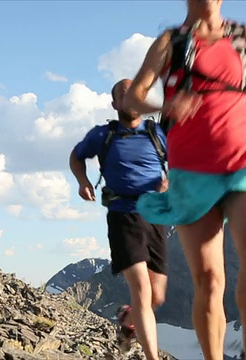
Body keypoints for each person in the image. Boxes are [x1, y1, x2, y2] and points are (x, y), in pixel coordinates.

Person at [121, 1, 246, 360]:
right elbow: (134, 94)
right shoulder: (171, 41)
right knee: (209, 281)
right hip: (191, 170)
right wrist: (164, 107)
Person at [69, 79, 169, 360]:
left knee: (156, 296)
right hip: (123, 214)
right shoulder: (103, 135)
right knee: (141, 288)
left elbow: (179, 165)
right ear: (115, 104)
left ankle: (128, 319)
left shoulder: (156, 133)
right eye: (123, 95)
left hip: (156, 217)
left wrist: (169, 183)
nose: (130, 98)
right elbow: (76, 157)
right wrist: (82, 181)